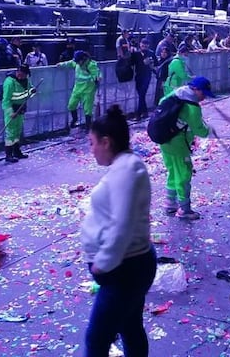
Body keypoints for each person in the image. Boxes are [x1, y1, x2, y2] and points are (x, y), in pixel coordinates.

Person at [81, 105, 156, 357]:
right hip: (128, 266)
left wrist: (103, 262)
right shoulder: (125, 166)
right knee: (130, 327)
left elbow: (121, 223)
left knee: (97, 339)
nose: (90, 150)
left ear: (106, 141)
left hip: (124, 270)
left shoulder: (126, 170)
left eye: (92, 143)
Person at [158, 76, 213, 220]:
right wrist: (210, 131)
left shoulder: (175, 94)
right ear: (195, 89)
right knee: (184, 174)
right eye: (203, 94)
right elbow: (200, 130)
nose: (204, 98)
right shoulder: (193, 108)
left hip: (164, 140)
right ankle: (185, 209)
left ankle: (170, 203)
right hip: (179, 145)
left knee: (173, 171)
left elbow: (161, 105)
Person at [57, 50, 101, 130]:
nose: (77, 63)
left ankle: (88, 127)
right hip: (77, 89)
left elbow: (97, 75)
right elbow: (70, 63)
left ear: (83, 59)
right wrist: (61, 64)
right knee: (71, 105)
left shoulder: (91, 65)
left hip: (88, 90)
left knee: (88, 109)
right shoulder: (77, 63)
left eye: (78, 61)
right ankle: (75, 119)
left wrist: (96, 78)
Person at [1, 64, 36, 163]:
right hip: (12, 110)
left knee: (17, 131)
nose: (22, 76)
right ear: (17, 72)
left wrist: (33, 92)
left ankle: (17, 151)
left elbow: (28, 93)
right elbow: (6, 100)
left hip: (20, 110)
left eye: (24, 74)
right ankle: (8, 154)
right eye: (20, 74)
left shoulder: (26, 81)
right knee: (11, 132)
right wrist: (10, 112)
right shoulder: (9, 82)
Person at [131, 38, 155, 120]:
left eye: (146, 45)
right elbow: (131, 62)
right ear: (140, 44)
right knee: (141, 95)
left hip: (147, 76)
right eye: (142, 44)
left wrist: (151, 63)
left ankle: (138, 115)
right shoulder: (136, 53)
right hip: (138, 76)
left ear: (148, 45)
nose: (144, 46)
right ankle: (145, 112)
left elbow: (156, 64)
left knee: (142, 94)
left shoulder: (151, 53)